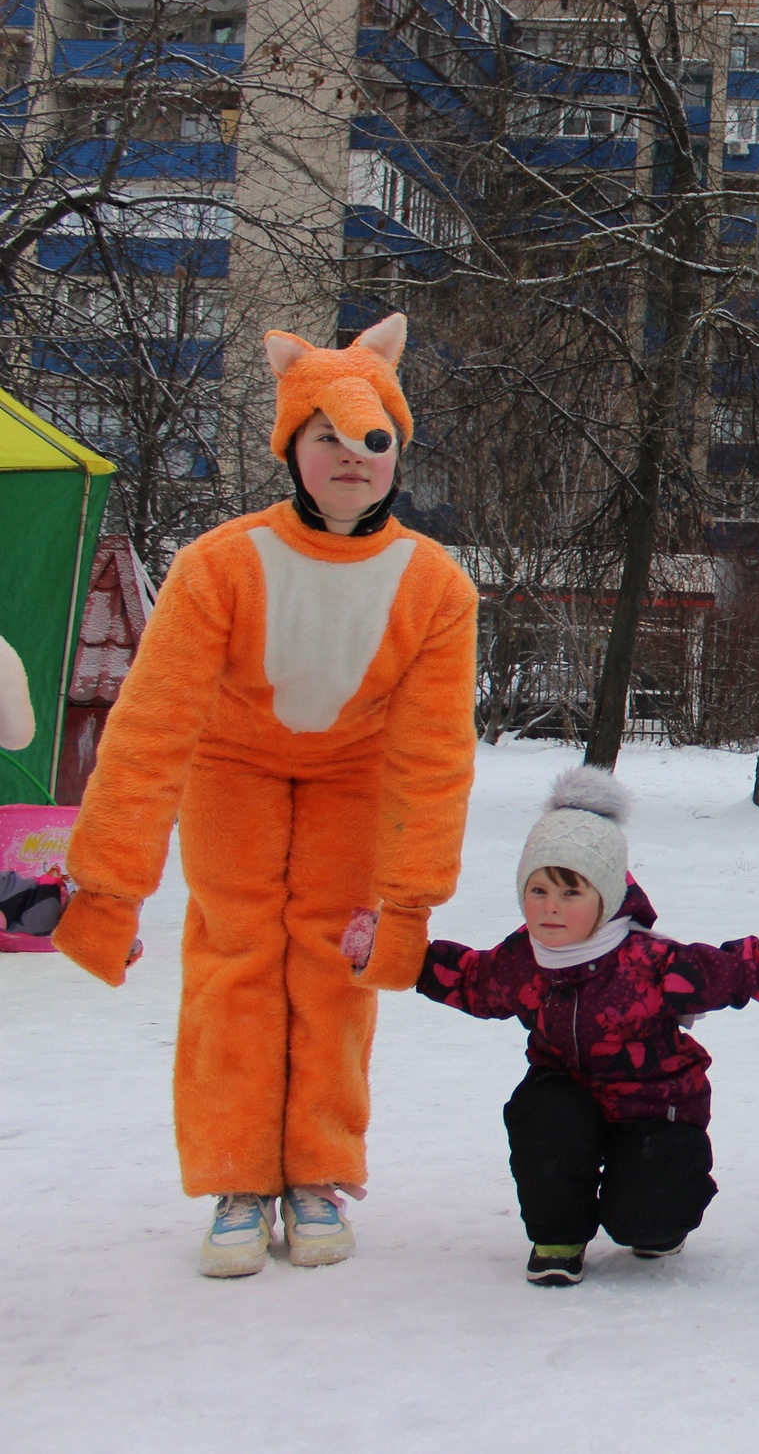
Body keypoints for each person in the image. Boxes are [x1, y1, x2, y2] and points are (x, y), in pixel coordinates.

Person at [51, 315, 478, 1277]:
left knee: (337, 957)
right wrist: (110, 885)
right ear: (292, 446)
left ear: (397, 450)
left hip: (353, 773)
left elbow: (433, 754)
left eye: (375, 439)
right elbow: (152, 725)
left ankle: (319, 1170)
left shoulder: (436, 585)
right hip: (232, 763)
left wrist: (407, 901)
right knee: (236, 951)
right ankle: (238, 1174)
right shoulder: (220, 564)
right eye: (326, 435)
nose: (353, 456)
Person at [346, 769, 759, 1285]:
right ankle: (559, 1235)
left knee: (649, 1220)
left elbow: (748, 969)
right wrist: (390, 952)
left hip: (654, 1110)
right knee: (542, 1114)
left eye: (572, 892)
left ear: (607, 896)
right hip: (569, 1101)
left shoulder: (652, 964)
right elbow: (467, 979)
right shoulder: (522, 960)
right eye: (538, 890)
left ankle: (655, 1215)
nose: (551, 907)